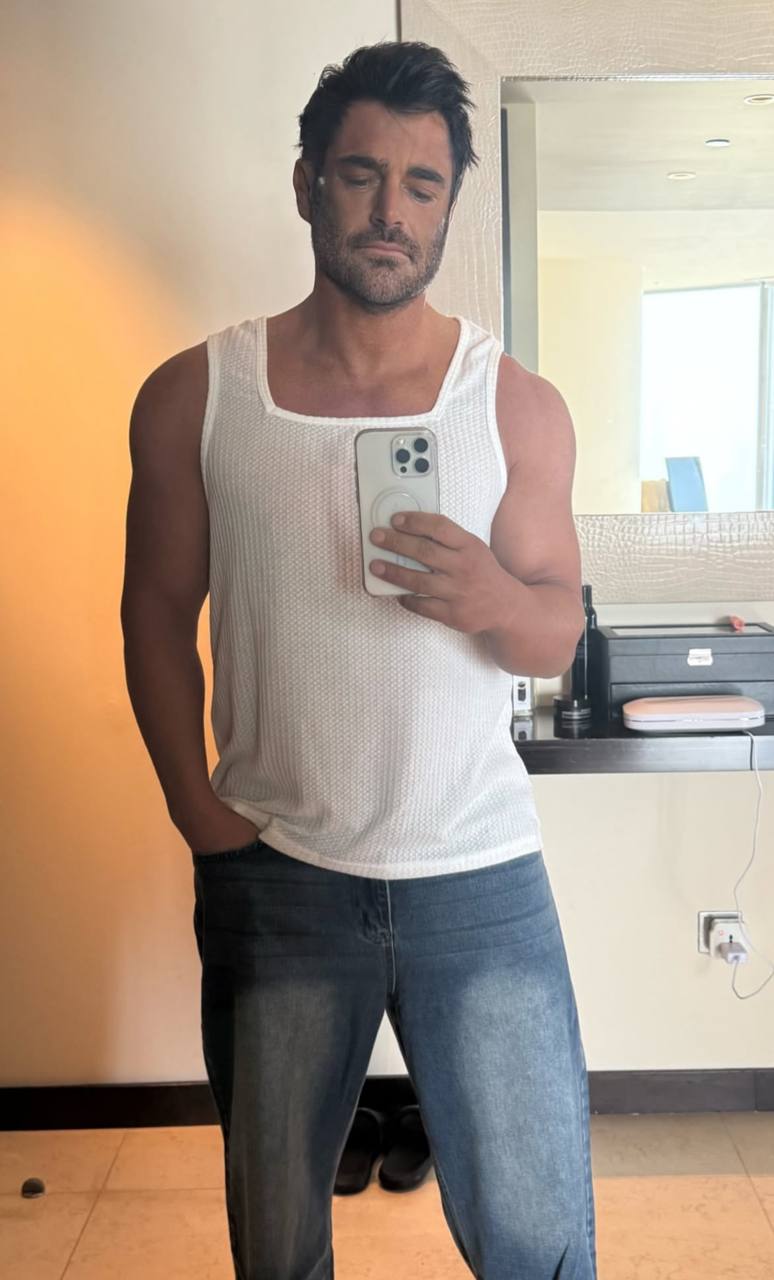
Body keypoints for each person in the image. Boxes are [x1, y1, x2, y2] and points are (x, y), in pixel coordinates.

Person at [121, 39, 597, 1280]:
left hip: (478, 874)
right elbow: (154, 612)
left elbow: (557, 628)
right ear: (307, 183)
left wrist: (494, 596)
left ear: (448, 206)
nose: (392, 209)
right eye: (361, 174)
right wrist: (198, 813)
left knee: (541, 1243)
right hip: (276, 875)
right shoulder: (193, 396)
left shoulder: (517, 405)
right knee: (279, 1245)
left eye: (422, 184)